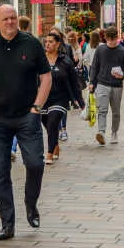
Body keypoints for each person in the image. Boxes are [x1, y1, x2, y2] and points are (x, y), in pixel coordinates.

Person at [0, 4, 51, 240]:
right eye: (5, 19)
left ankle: (30, 203)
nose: (10, 22)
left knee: (35, 163)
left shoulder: (31, 43)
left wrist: (37, 107)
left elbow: (46, 77)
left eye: (13, 18)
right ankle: (7, 223)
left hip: (27, 115)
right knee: (1, 170)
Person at [40, 32, 83, 164]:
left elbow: (74, 82)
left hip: (60, 98)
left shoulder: (65, 61)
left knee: (53, 122)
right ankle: (55, 145)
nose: (47, 44)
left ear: (58, 44)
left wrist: (80, 102)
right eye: (46, 42)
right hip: (42, 99)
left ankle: (48, 153)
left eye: (51, 42)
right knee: (48, 125)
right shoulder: (40, 60)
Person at [89, 26, 124, 145]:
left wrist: (122, 75)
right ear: (105, 38)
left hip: (117, 85)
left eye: (113, 39)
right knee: (102, 110)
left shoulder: (123, 51)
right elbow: (94, 67)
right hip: (102, 83)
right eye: (109, 39)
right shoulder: (100, 50)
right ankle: (101, 132)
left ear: (117, 38)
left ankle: (114, 133)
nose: (111, 42)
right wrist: (92, 82)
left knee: (116, 112)